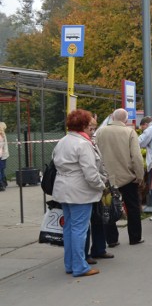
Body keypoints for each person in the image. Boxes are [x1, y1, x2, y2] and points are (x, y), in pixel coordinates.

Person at [52, 109, 106, 277]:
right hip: (80, 191)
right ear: (83, 125)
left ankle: (70, 264)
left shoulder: (63, 141)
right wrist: (101, 185)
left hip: (63, 188)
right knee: (79, 230)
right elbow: (90, 173)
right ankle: (80, 266)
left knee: (69, 228)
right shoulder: (83, 144)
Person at [95, 108, 146, 246]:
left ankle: (111, 239)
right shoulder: (129, 132)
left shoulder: (100, 131)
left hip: (107, 177)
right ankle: (135, 237)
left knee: (108, 207)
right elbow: (136, 156)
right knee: (133, 207)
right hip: (127, 176)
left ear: (112, 117)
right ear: (126, 120)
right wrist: (140, 176)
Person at [84, 117, 114, 263]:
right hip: (87, 189)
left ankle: (99, 249)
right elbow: (89, 170)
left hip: (97, 186)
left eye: (94, 127)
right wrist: (101, 184)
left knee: (99, 219)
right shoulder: (80, 143)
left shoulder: (92, 140)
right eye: (90, 127)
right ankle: (85, 254)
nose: (92, 130)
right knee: (85, 224)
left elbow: (99, 163)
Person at [0, 121, 8, 191]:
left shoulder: (1, 135)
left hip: (2, 155)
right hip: (3, 155)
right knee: (1, 170)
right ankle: (4, 183)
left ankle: (2, 184)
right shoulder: (3, 134)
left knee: (1, 170)